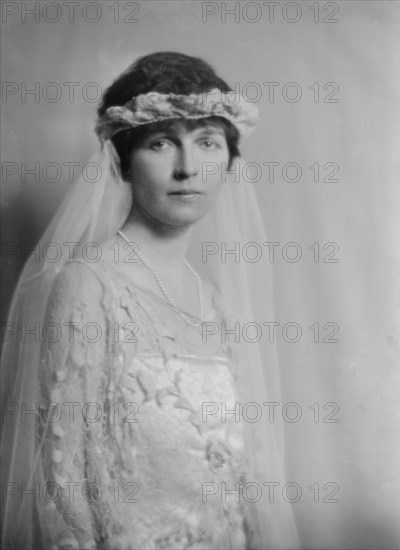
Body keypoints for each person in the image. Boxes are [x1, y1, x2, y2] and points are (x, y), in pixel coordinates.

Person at [0, 52, 300, 550]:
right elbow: (64, 491)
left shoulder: (216, 304)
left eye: (207, 142)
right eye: (161, 143)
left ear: (228, 160)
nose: (187, 168)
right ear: (121, 161)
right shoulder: (88, 287)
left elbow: (242, 483)